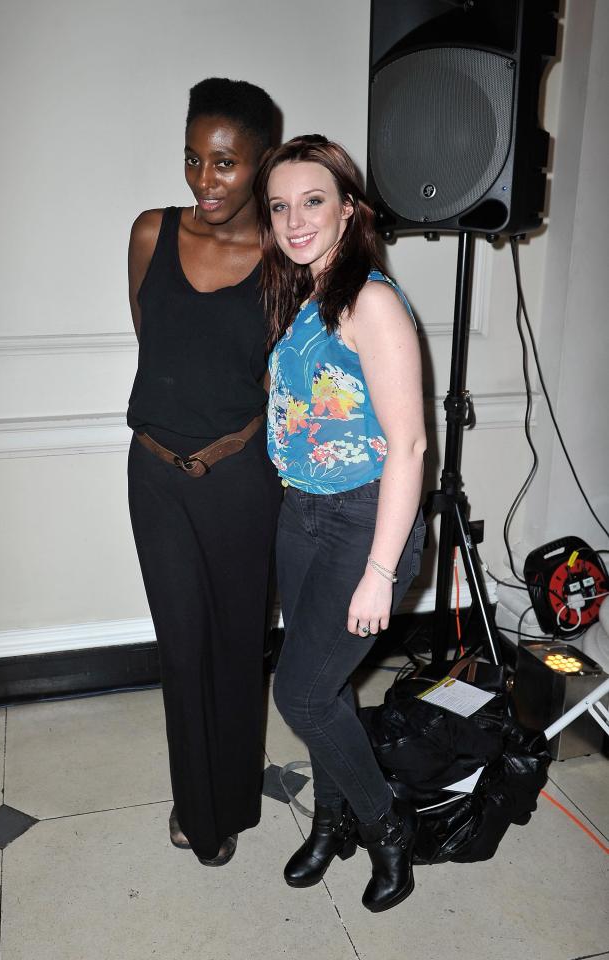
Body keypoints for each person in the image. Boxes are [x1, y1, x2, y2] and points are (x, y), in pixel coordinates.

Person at [254, 135, 426, 911]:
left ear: (349, 207)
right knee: (327, 686)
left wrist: (382, 570)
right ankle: (332, 821)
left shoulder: (371, 300)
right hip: (304, 516)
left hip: (362, 525)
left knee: (302, 696)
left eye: (312, 200)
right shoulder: (303, 295)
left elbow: (411, 444)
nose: (294, 219)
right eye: (281, 205)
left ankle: (388, 829)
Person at [126, 78, 282, 866]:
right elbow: (155, 342)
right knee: (182, 647)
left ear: (259, 163)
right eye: (194, 158)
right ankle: (201, 816)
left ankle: (237, 800)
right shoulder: (152, 233)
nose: (204, 180)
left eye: (224, 163)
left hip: (240, 477)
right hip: (154, 474)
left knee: (235, 642)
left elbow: (270, 383)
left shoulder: (283, 261)